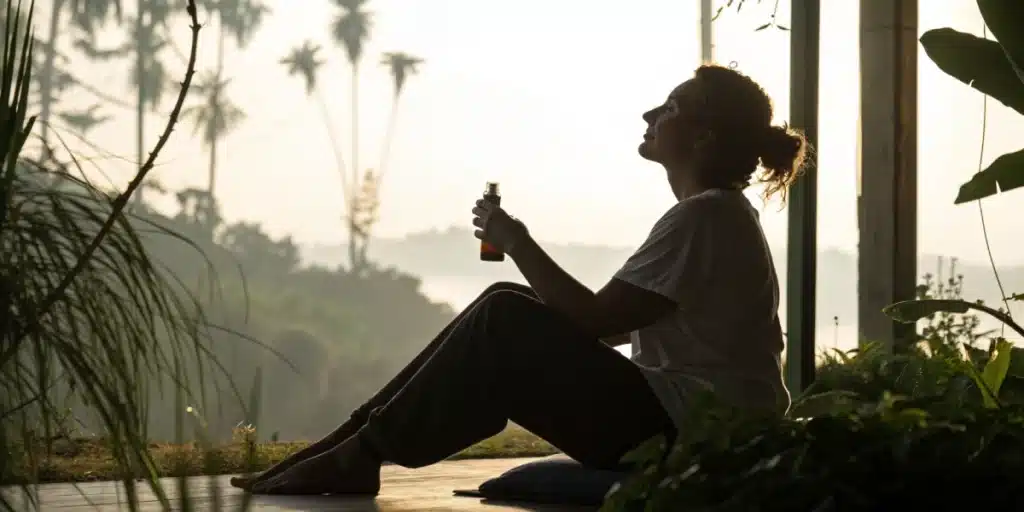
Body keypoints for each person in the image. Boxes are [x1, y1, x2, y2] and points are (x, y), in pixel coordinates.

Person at [230, 63, 808, 496]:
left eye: (672, 107)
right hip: (691, 422)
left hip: (696, 437)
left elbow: (595, 321)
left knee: (505, 315)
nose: (651, 115)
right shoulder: (716, 215)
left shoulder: (706, 216)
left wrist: (517, 243)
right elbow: (602, 327)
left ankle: (356, 452)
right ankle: (352, 446)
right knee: (507, 302)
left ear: (705, 136)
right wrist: (518, 256)